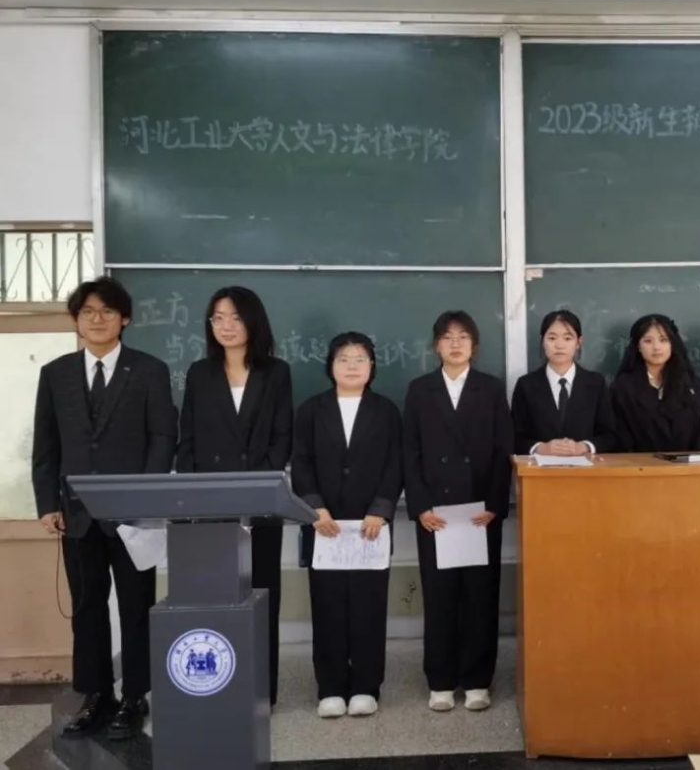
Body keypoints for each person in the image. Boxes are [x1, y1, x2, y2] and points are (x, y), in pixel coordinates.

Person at [32, 276, 177, 740]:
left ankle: (134, 697)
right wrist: (47, 502)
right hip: (75, 514)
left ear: (125, 319)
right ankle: (96, 696)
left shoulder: (149, 370)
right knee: (87, 608)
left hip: (133, 515)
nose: (97, 319)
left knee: (136, 606)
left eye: (107, 311)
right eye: (88, 312)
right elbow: (46, 446)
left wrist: (145, 498)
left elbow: (163, 437)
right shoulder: (55, 373)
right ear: (76, 320)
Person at [175, 286, 292, 708]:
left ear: (252, 321)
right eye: (218, 318)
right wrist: (191, 500)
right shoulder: (199, 373)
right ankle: (220, 684)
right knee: (216, 597)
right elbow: (187, 440)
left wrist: (256, 489)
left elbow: (282, 437)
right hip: (211, 506)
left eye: (236, 317)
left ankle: (262, 690)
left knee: (263, 595)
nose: (226, 326)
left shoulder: (276, 372)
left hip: (261, 503)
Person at [402, 311, 513, 712]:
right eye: (447, 337)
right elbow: (410, 452)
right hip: (437, 515)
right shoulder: (420, 390)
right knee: (440, 598)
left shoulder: (491, 388)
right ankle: (441, 681)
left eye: (463, 337)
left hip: (480, 513)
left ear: (474, 345)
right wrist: (420, 508)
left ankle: (478, 680)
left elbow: (503, 449)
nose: (455, 343)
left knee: (480, 598)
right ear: (436, 345)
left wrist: (495, 505)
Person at [291, 332, 402, 717]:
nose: (352, 366)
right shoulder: (311, 410)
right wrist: (315, 508)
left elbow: (396, 463)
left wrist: (381, 508)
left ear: (372, 367)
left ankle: (367, 687)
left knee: (369, 606)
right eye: (343, 359)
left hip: (372, 525)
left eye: (360, 359)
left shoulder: (386, 411)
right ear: (330, 366)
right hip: (325, 526)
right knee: (328, 606)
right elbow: (300, 463)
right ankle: (331, 687)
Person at [511, 309, 616, 457]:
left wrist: (584, 446)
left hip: (587, 467)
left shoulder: (596, 383)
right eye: (552, 338)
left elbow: (610, 435)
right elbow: (514, 436)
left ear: (578, 342)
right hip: (539, 468)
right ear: (542, 342)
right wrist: (541, 448)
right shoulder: (526, 385)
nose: (559, 345)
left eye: (567, 338)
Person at [611, 313, 700, 452]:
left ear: (672, 344)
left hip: (688, 463)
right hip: (640, 463)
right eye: (648, 341)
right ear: (638, 346)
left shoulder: (694, 385)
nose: (656, 347)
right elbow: (620, 437)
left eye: (663, 340)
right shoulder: (623, 387)